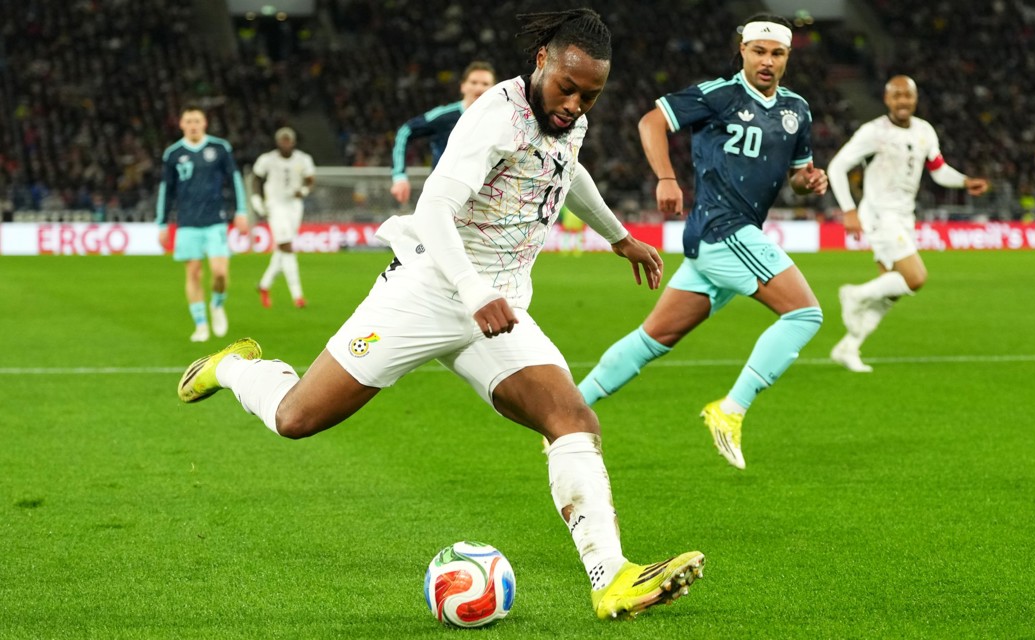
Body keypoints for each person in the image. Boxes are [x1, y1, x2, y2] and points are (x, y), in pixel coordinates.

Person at [177, 9, 703, 621]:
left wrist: (617, 236)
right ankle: (235, 369)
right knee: (296, 418)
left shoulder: (568, 118)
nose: (575, 105)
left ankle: (612, 579)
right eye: (567, 87)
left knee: (571, 417)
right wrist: (473, 289)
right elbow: (433, 209)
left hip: (495, 310)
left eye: (590, 95)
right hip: (428, 293)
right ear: (540, 60)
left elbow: (568, 168)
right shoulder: (493, 119)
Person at [577, 13, 828, 471]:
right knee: (805, 313)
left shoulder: (798, 111)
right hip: (722, 228)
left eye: (776, 53)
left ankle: (569, 409)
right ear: (744, 51)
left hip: (729, 235)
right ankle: (730, 409)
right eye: (758, 51)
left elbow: (795, 178)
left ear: (787, 57)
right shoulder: (720, 95)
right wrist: (667, 177)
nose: (767, 61)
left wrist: (806, 184)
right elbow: (651, 122)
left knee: (653, 339)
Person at [827, 75, 989, 373]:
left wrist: (964, 182)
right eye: (896, 96)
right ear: (887, 100)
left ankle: (849, 347)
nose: (903, 101)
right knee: (915, 278)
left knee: (891, 292)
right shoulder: (873, 132)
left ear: (915, 99)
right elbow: (837, 167)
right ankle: (854, 295)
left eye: (908, 96)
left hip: (904, 217)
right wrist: (848, 210)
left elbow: (938, 170)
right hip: (879, 214)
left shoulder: (924, 131)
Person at [157, 106, 250, 342]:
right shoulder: (173, 153)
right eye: (188, 121)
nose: (193, 125)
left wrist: (240, 211)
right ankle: (200, 325)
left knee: (219, 272)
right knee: (194, 273)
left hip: (215, 220)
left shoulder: (219, 148)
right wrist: (162, 224)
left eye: (197, 120)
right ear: (181, 124)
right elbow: (166, 190)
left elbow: (235, 179)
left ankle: (217, 305)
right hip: (187, 222)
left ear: (205, 123)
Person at [388, 60, 496, 205]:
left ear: (494, 88)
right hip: (443, 197)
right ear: (463, 86)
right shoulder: (444, 116)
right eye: (474, 82)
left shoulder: (501, 120)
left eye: (485, 84)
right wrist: (399, 176)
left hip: (485, 199)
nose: (479, 88)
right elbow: (405, 131)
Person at [250, 127, 317, 308]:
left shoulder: (303, 159)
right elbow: (255, 178)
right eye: (282, 140)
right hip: (275, 205)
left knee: (282, 248)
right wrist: (256, 199)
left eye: (288, 140)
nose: (286, 143)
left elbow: (310, 179)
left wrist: (303, 191)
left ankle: (264, 285)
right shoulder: (268, 159)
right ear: (277, 142)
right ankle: (298, 296)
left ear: (293, 142)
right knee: (287, 246)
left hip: (294, 206)